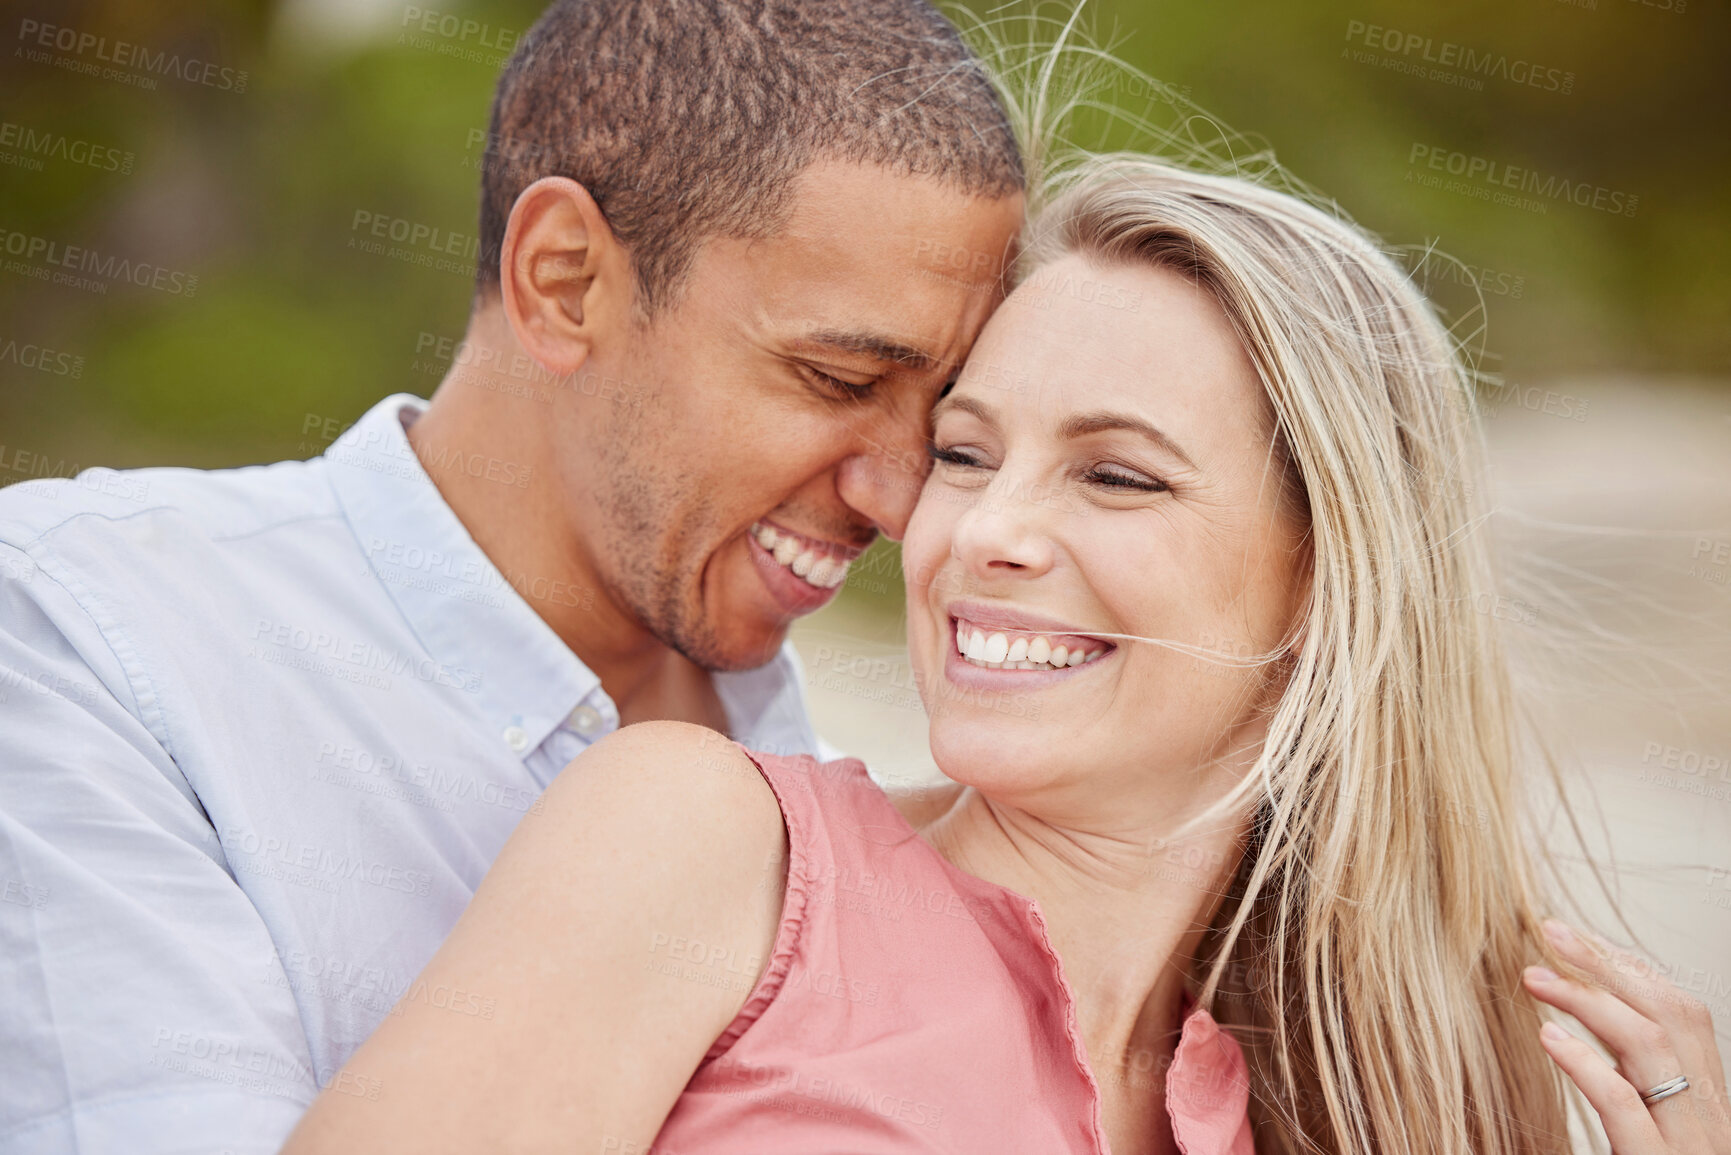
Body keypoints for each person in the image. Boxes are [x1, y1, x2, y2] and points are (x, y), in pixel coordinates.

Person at [284, 155, 1730, 1155]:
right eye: (964, 454)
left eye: (1116, 477)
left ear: (1324, 588)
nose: (981, 532)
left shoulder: (1353, 1097)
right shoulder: (708, 844)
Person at [0, 2, 1023, 1151]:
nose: (900, 498)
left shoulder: (851, 802)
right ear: (564, 279)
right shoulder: (88, 636)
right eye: (837, 380)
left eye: (943, 419)